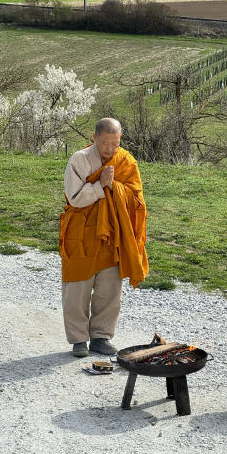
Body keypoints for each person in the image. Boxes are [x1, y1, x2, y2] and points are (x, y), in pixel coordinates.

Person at [59, 118, 149, 357]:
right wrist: (101, 186)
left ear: (120, 140)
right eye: (105, 143)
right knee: (77, 287)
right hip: (81, 232)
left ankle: (101, 336)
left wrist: (114, 187)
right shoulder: (79, 160)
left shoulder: (126, 161)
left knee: (109, 288)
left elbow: (137, 200)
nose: (110, 149)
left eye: (114, 143)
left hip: (112, 232)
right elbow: (74, 198)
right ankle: (79, 340)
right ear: (95, 138)